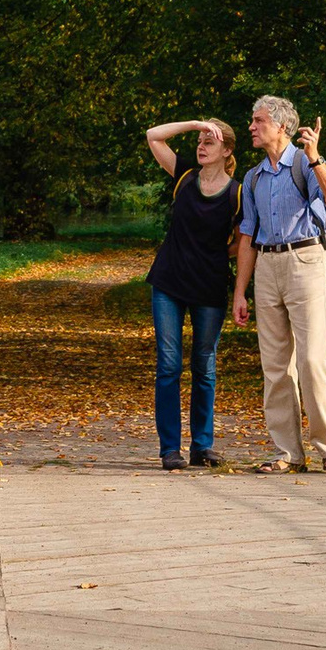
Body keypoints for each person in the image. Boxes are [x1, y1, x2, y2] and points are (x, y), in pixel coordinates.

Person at [230, 95, 326, 472]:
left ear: (282, 126)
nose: (251, 127)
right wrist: (240, 292)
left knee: (312, 360)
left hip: (306, 260)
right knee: (276, 367)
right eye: (252, 120)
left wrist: (315, 157)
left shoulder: (304, 164)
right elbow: (247, 236)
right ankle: (288, 453)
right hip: (266, 266)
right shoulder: (253, 177)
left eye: (259, 120)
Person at [140, 116, 241, 470]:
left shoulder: (237, 193)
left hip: (209, 286)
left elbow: (243, 241)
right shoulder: (184, 175)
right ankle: (170, 449)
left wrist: (213, 253)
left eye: (209, 141)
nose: (201, 146)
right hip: (168, 282)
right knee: (169, 366)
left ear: (226, 150)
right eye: (200, 141)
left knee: (204, 366)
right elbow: (153, 136)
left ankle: (202, 446)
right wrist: (197, 124)